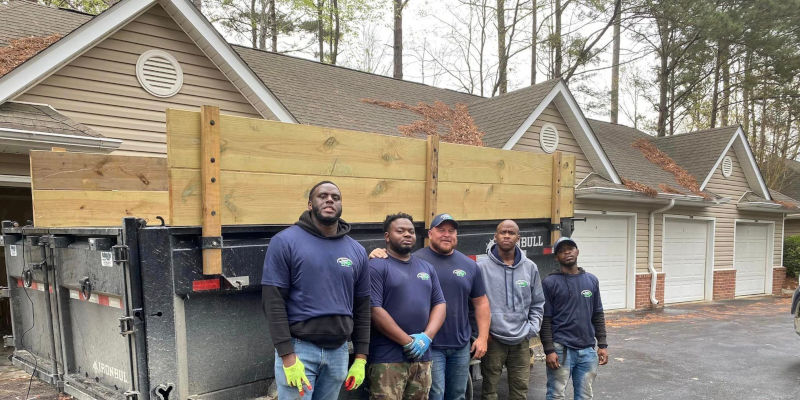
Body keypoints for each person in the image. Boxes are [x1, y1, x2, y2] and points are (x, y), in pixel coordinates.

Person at [261, 181, 370, 399]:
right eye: (323, 196)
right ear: (310, 204)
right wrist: (287, 356)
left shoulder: (356, 251)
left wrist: (360, 357)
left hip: (338, 352)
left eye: (336, 197)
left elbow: (363, 306)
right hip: (300, 351)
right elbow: (273, 302)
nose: (330, 199)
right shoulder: (285, 242)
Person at [370, 213, 491, 400]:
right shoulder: (399, 262)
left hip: (453, 346)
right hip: (425, 349)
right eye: (441, 230)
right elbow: (374, 308)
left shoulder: (464, 265)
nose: (446, 234)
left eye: (451, 231)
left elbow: (475, 302)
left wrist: (482, 337)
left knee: (457, 394)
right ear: (430, 234)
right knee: (436, 394)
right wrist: (412, 341)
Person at [368, 213, 447, 400]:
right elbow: (374, 310)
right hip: (387, 359)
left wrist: (427, 337)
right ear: (387, 236)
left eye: (411, 231)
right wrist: (408, 341)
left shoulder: (426, 268)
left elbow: (440, 304)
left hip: (422, 358)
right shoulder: (377, 266)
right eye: (400, 231)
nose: (407, 234)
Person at [476, 219, 545, 400]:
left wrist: (532, 329)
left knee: (520, 390)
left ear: (518, 238)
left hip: (521, 340)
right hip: (493, 340)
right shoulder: (481, 267)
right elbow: (472, 303)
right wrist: (483, 334)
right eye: (503, 232)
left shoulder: (530, 267)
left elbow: (538, 302)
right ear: (495, 236)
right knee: (489, 391)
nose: (507, 236)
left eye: (511, 233)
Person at [540, 237, 609, 400]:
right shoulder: (550, 283)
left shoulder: (591, 280)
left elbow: (597, 314)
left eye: (570, 248)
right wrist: (549, 350)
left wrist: (603, 344)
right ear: (556, 257)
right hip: (561, 349)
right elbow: (545, 319)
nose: (567, 252)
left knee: (585, 395)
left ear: (577, 251)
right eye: (562, 250)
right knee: (556, 394)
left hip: (587, 350)